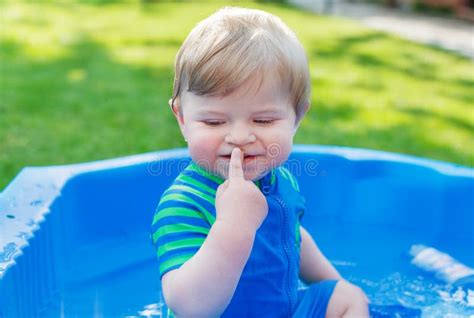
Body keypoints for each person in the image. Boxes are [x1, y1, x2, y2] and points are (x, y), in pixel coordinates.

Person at [151, 6, 369, 317]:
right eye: (213, 122)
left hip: (284, 310)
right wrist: (233, 226)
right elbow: (190, 306)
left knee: (347, 297)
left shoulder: (281, 180)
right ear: (183, 119)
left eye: (264, 120)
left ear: (297, 117)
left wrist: (332, 281)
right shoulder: (184, 203)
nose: (239, 136)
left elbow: (290, 235)